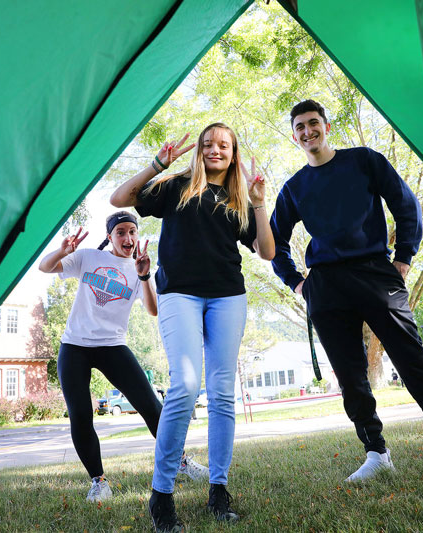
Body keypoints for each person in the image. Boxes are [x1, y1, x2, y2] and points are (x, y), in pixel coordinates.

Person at [270, 99, 423, 484]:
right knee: (351, 378)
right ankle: (376, 453)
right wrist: (297, 282)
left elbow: (405, 203)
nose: (307, 131)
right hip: (326, 286)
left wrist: (404, 258)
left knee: (415, 363)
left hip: (376, 273)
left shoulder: (364, 160)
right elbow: (274, 241)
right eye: (299, 126)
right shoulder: (294, 187)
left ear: (326, 126)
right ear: (294, 135)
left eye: (313, 123)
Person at [110, 123, 275, 532]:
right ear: (198, 150)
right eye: (208, 144)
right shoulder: (177, 185)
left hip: (227, 297)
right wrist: (156, 164)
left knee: (221, 392)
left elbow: (267, 251)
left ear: (234, 153)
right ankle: (161, 495)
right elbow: (120, 198)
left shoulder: (238, 199)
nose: (215, 149)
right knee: (184, 383)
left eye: (224, 145)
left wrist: (259, 202)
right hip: (179, 294)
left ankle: (218, 489)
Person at [39, 212, 208, 503]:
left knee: (151, 406)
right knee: (80, 415)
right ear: (110, 237)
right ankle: (98, 480)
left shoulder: (138, 268)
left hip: (112, 346)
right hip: (75, 346)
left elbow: (153, 310)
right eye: (120, 232)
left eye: (132, 231)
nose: (127, 238)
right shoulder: (88, 258)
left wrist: (143, 276)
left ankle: (180, 462)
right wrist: (63, 251)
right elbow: (45, 267)